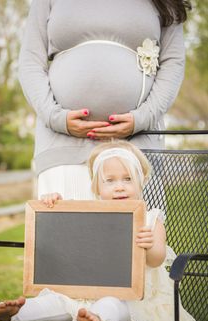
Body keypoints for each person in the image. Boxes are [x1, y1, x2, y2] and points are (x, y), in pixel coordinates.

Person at [0, 141, 199, 321]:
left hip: (133, 301)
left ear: (141, 181)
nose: (120, 187)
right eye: (110, 180)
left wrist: (150, 244)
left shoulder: (151, 219)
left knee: (110, 306)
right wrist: (53, 204)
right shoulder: (89, 215)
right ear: (97, 188)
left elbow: (157, 259)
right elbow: (62, 232)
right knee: (51, 303)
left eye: (127, 179)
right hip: (81, 295)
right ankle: (10, 315)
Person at [18, 0, 191, 199]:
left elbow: (173, 63)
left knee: (142, 229)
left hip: (137, 146)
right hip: (63, 146)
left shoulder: (166, 2)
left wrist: (142, 118)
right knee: (65, 227)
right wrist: (56, 117)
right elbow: (30, 60)